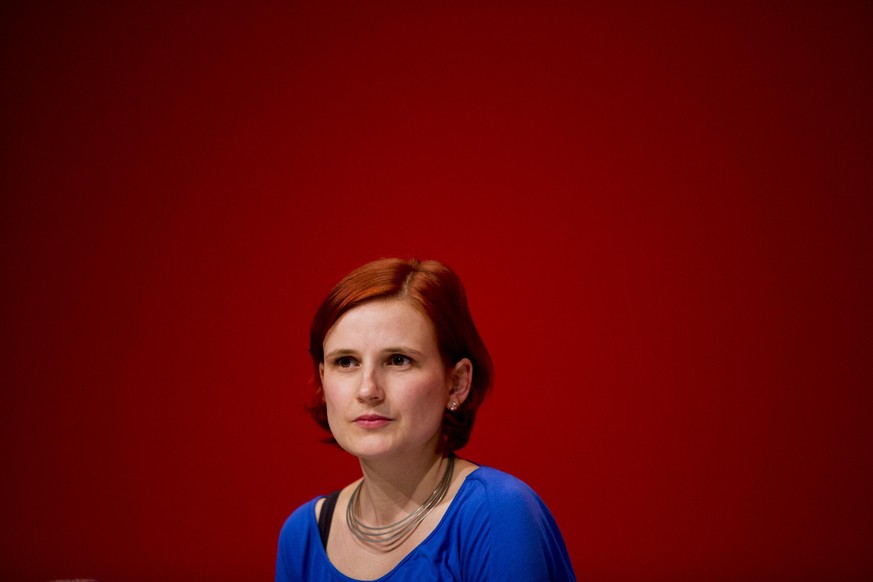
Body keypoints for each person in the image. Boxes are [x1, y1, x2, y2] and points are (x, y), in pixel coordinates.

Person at [276, 258, 576, 581]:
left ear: (457, 382)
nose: (368, 390)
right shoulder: (302, 536)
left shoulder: (498, 513)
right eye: (346, 362)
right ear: (323, 380)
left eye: (398, 360)